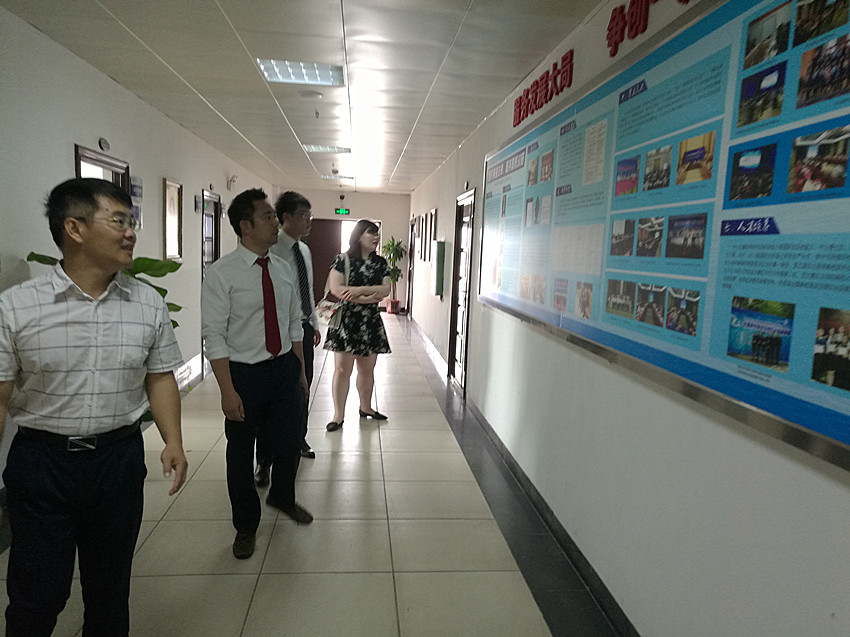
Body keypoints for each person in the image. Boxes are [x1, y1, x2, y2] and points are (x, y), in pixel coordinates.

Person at [0, 177, 187, 637]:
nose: (131, 232)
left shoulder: (147, 303)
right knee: (38, 592)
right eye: (118, 221)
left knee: (109, 590)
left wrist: (173, 441)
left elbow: (159, 376)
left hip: (116, 462)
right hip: (42, 464)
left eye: (131, 221)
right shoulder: (16, 307)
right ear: (75, 228)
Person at [201, 188, 312, 561]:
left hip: (283, 370)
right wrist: (226, 390)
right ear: (245, 226)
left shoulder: (281, 269)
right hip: (243, 375)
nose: (275, 222)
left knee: (289, 441)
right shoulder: (221, 274)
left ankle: (282, 496)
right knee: (240, 453)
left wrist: (300, 370)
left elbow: (294, 323)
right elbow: (214, 335)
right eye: (267, 216)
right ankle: (245, 526)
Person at [251, 191, 319, 490]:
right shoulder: (271, 250)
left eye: (310, 215)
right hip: (275, 333)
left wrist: (313, 323)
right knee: (273, 398)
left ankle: (298, 439)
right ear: (286, 217)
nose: (309, 221)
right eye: (303, 215)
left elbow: (308, 290)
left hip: (302, 327)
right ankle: (264, 460)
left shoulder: (304, 250)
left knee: (303, 388)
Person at [324, 220, 391, 431]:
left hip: (370, 321)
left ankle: (366, 407)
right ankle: (338, 415)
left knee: (367, 369)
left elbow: (385, 290)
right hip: (346, 321)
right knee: (342, 370)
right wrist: (369, 295)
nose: (376, 237)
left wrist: (356, 291)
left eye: (377, 233)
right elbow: (337, 289)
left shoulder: (381, 263)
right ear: (359, 235)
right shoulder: (342, 259)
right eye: (371, 233)